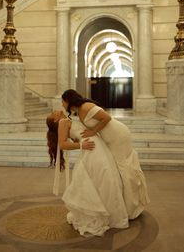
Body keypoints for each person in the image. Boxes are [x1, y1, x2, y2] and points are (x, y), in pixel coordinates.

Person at [61, 89, 150, 220]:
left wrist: (93, 132)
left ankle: (132, 208)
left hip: (118, 135)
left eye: (62, 101)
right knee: (118, 169)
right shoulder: (79, 112)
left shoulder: (86, 106)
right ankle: (124, 205)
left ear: (68, 100)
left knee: (124, 167)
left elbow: (106, 118)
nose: (61, 104)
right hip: (108, 138)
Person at [46, 110, 129, 237]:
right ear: (56, 120)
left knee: (103, 179)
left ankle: (108, 212)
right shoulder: (63, 122)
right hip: (91, 149)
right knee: (103, 178)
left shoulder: (68, 120)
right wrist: (81, 145)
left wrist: (79, 141)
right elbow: (62, 144)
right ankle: (104, 214)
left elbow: (74, 138)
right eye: (52, 114)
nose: (55, 111)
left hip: (97, 148)